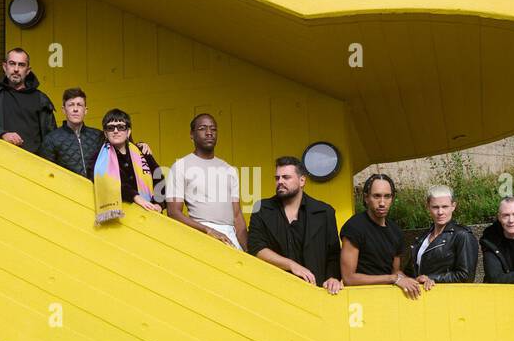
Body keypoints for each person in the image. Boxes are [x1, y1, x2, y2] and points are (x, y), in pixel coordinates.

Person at [247, 157, 342, 293]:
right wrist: (291, 265)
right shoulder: (261, 208)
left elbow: (333, 254)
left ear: (302, 180)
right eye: (277, 178)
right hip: (273, 291)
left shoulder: (324, 212)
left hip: (315, 291)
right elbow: (256, 248)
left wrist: (333, 278)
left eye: (286, 177)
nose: (280, 182)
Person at [166, 114, 248, 249]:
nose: (209, 133)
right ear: (192, 134)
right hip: (201, 233)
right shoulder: (180, 166)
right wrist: (208, 231)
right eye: (203, 128)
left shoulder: (229, 170)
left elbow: (237, 215)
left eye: (213, 129)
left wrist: (247, 250)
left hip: (230, 236)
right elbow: (174, 213)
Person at [340, 173, 421, 299]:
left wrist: (416, 281)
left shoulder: (396, 231)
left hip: (388, 298)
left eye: (387, 196)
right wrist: (393, 279)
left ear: (392, 198)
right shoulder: (354, 227)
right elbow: (349, 278)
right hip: (359, 299)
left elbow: (396, 272)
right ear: (366, 198)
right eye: (377, 196)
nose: (382, 202)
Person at [0, 49, 56, 154]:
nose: (16, 69)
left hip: (33, 165)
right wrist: (2, 134)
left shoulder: (41, 99)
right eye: (12, 64)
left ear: (28, 70)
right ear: (4, 67)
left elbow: (52, 138)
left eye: (21, 65)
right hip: (0, 161)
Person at [92, 109, 164, 222]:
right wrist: (135, 197)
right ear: (105, 133)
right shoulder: (98, 159)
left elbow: (159, 178)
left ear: (128, 131)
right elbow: (105, 183)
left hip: (150, 214)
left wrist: (159, 204)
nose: (116, 131)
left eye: (121, 127)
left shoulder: (142, 151)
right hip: (122, 218)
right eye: (111, 128)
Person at [406, 186, 479, 287]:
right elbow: (411, 272)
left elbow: (466, 276)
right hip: (421, 297)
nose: (440, 212)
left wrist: (432, 278)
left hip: (448, 297)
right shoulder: (423, 237)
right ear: (428, 207)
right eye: (435, 207)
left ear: (453, 206)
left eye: (445, 207)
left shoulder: (462, 235)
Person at [40, 87, 105, 177]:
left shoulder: (98, 136)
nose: (75, 109)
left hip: (96, 189)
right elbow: (47, 173)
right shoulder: (51, 139)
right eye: (71, 105)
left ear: (85, 110)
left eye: (79, 105)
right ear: (64, 110)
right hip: (67, 189)